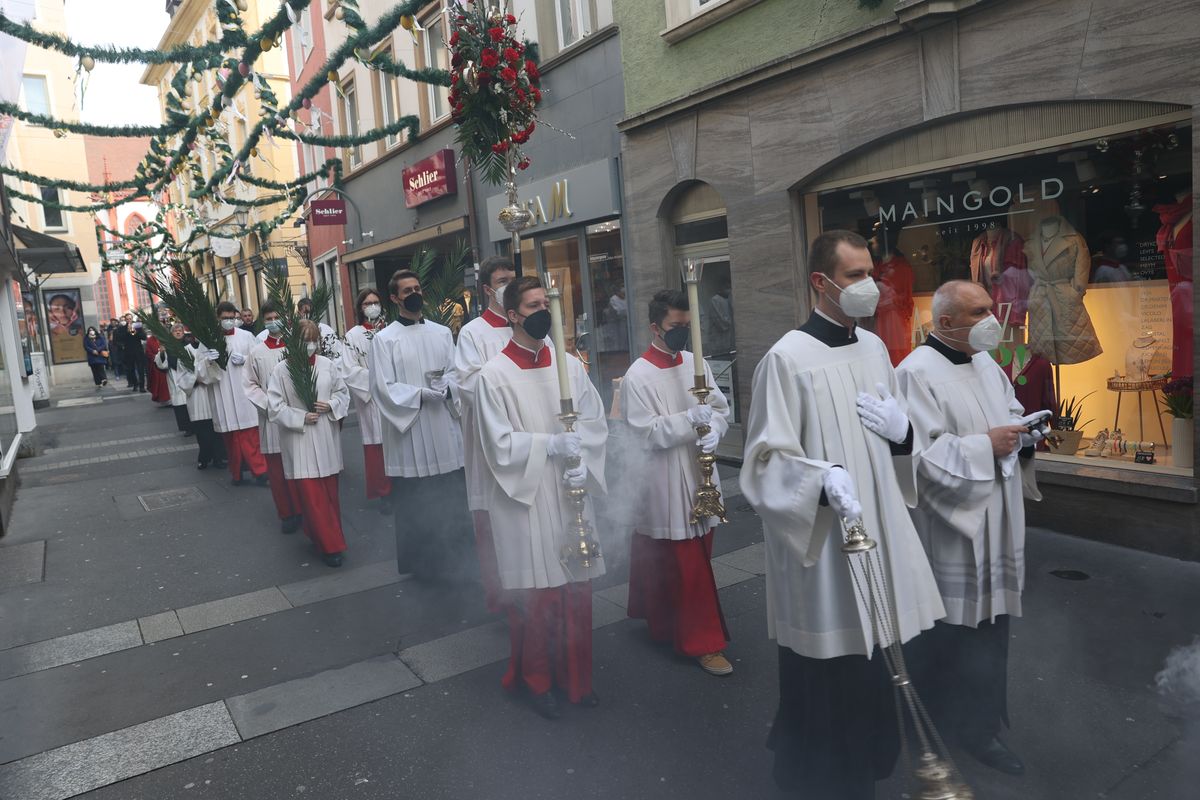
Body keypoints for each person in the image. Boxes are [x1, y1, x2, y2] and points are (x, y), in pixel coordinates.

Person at [739, 229, 943, 800]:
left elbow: (895, 429)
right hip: (824, 547)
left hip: (877, 530)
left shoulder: (875, 348)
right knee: (831, 667)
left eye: (870, 273)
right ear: (819, 283)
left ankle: (870, 762)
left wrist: (905, 439)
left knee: (879, 657)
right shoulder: (786, 359)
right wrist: (818, 480)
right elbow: (762, 464)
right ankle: (818, 775)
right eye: (854, 276)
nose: (869, 286)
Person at [896, 280, 1046, 776]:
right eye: (979, 311)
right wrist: (987, 446)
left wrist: (1024, 435)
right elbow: (917, 458)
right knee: (948, 636)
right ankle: (932, 732)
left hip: (997, 518)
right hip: (952, 532)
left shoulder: (984, 361)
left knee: (991, 630)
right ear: (944, 323)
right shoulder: (913, 374)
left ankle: (981, 728)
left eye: (990, 308)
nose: (992, 319)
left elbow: (1011, 414)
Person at [476, 277, 608, 719]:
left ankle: (578, 680)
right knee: (538, 598)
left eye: (547, 304)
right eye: (534, 305)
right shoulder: (493, 376)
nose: (543, 312)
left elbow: (593, 418)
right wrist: (548, 446)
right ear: (512, 315)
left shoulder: (568, 363)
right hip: (526, 500)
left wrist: (582, 456)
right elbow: (496, 445)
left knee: (575, 591)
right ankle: (537, 681)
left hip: (568, 490)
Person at [621, 289, 733, 675]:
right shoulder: (638, 375)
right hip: (666, 476)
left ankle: (666, 622)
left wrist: (715, 429)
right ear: (655, 327)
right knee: (688, 564)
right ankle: (704, 643)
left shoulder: (693, 361)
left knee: (693, 556)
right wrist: (688, 422)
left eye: (687, 325)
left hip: (701, 469)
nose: (683, 333)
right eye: (675, 326)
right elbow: (643, 432)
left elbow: (719, 408)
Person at [369, 270, 469, 580]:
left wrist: (448, 388)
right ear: (395, 298)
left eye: (417, 288)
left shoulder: (441, 333)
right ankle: (423, 567)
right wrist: (420, 395)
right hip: (410, 433)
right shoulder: (384, 340)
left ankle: (459, 561)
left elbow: (456, 372)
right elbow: (382, 387)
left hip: (442, 428)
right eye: (407, 290)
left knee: (450, 497)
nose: (414, 294)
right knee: (416, 503)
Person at [453, 256, 516, 612]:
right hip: (491, 443)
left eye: (513, 278)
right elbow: (468, 384)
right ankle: (502, 597)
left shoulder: (530, 326)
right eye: (503, 280)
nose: (510, 284)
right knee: (494, 520)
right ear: (489, 290)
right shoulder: (474, 333)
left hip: (527, 437)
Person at [268, 320, 351, 567]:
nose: (310, 345)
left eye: (314, 339)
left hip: (325, 435)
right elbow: (274, 406)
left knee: (329, 493)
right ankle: (331, 546)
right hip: (300, 438)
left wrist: (332, 405)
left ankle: (322, 535)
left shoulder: (327, 366)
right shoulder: (282, 370)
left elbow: (342, 392)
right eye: (305, 340)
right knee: (312, 495)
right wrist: (300, 416)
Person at [196, 301, 269, 486]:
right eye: (224, 318)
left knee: (250, 436)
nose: (228, 321)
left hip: (243, 392)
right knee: (231, 439)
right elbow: (199, 372)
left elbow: (259, 359)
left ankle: (260, 472)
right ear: (218, 318)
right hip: (223, 394)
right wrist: (208, 362)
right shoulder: (208, 340)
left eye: (231, 318)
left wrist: (245, 359)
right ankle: (236, 473)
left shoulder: (246, 336)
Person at [246, 302, 303, 534]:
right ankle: (287, 513)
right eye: (268, 318)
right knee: (278, 471)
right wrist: (270, 406)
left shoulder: (297, 347)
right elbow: (249, 385)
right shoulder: (256, 352)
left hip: (296, 415)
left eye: (276, 317)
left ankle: (302, 508)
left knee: (299, 466)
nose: (272, 322)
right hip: (270, 419)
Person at [341, 288, 393, 515]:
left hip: (394, 396)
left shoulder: (390, 330)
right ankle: (383, 493)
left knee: (395, 443)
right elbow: (348, 369)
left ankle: (399, 487)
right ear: (360, 308)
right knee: (376, 446)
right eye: (367, 303)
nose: (373, 306)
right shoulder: (352, 336)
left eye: (376, 302)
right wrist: (375, 383)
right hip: (371, 399)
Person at [177, 332, 226, 470]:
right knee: (202, 431)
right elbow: (181, 376)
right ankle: (204, 457)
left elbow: (219, 370)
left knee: (216, 429)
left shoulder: (211, 349)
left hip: (212, 391)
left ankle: (218, 458)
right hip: (197, 394)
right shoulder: (185, 351)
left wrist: (208, 375)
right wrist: (197, 379)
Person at [154, 322, 193, 436]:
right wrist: (162, 352)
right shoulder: (167, 346)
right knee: (180, 405)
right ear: (172, 333)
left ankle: (194, 425)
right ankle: (186, 428)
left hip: (188, 377)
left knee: (191, 403)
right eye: (175, 331)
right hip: (174, 377)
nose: (178, 332)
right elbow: (162, 364)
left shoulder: (188, 344)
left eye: (180, 330)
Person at [120, 316, 148, 393]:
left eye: (130, 319)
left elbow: (144, 337)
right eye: (127, 319)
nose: (129, 320)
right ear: (125, 320)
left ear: (132, 319)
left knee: (140, 369)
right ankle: (135, 384)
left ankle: (142, 386)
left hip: (138, 351)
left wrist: (135, 332)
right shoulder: (122, 328)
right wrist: (127, 331)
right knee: (131, 369)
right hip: (128, 351)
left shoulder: (138, 326)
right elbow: (120, 338)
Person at [144, 331, 172, 405]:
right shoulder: (150, 340)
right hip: (156, 364)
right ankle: (163, 399)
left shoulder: (165, 338)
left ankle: (169, 398)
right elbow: (148, 352)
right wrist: (156, 357)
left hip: (167, 362)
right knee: (159, 382)